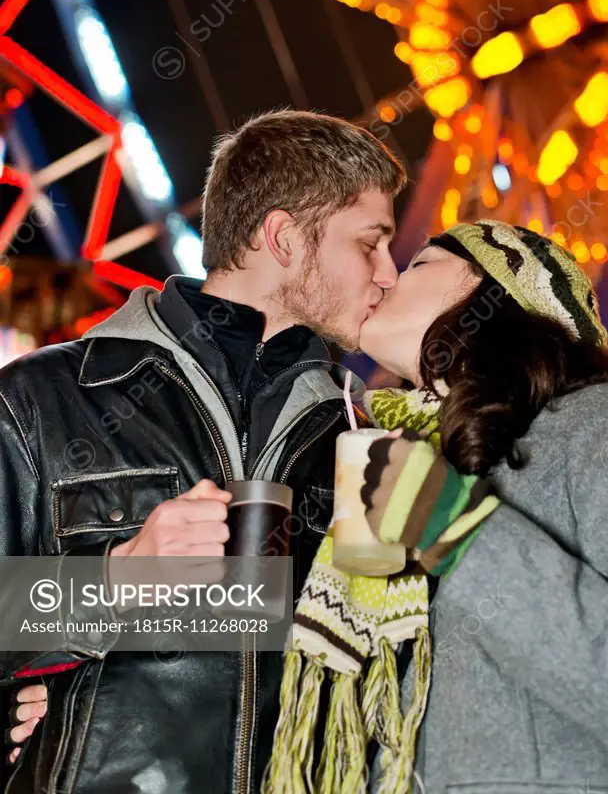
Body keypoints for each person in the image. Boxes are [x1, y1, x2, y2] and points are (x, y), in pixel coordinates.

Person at [0, 108, 405, 793]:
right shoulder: (43, 399)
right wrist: (120, 578)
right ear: (282, 237)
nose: (388, 274)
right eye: (370, 244)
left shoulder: (363, 438)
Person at [261, 220, 608, 794]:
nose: (384, 276)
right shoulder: (384, 458)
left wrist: (455, 529)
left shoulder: (603, 421)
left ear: (499, 293)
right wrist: (124, 580)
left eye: (416, 265)